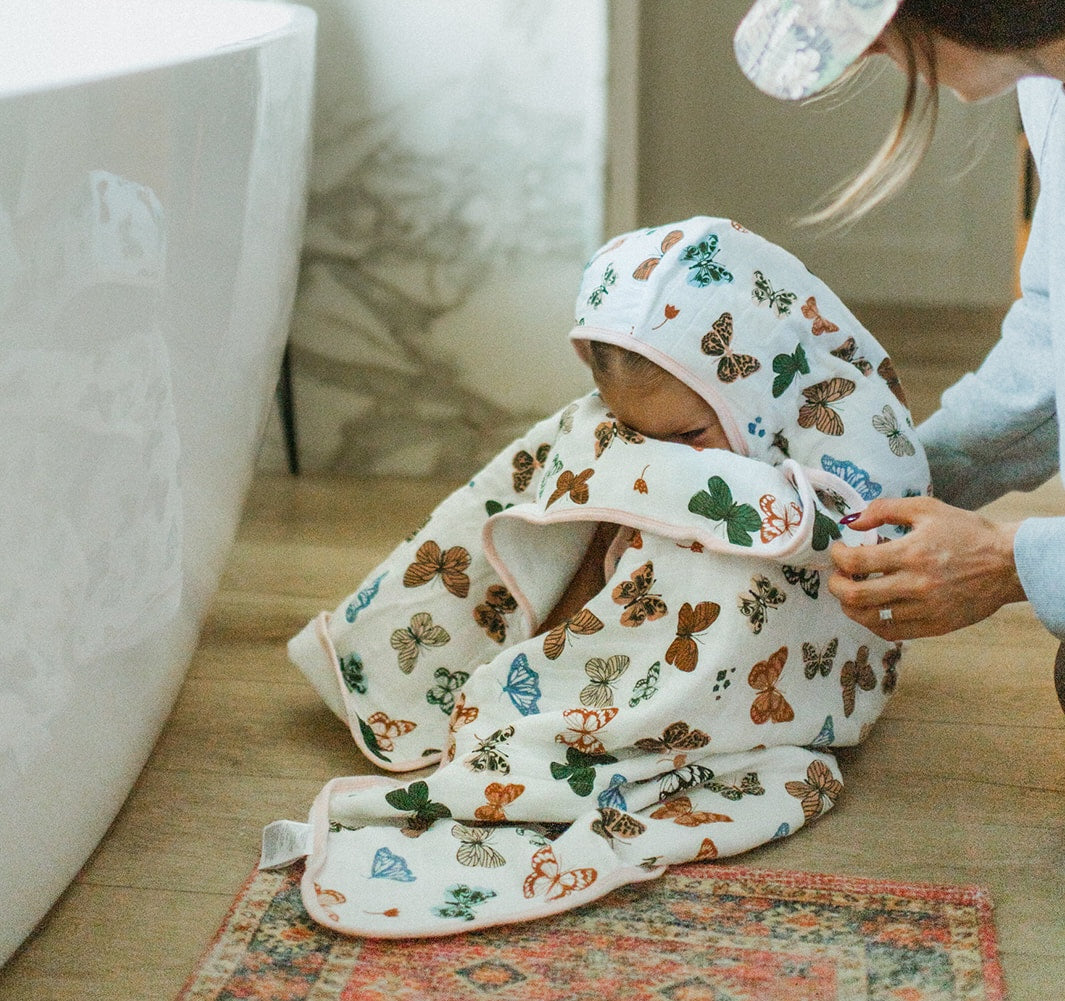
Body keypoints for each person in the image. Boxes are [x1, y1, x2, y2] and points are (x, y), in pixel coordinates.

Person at [281, 216, 929, 938]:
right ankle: (531, 673)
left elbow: (874, 533)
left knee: (702, 517)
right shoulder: (636, 421)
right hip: (648, 584)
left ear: (747, 378)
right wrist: (642, 466)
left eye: (687, 433)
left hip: (792, 642)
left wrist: (696, 489)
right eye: (640, 432)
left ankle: (630, 716)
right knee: (580, 450)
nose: (667, 453)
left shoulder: (842, 412)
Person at [734, 0, 1065, 707]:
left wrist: (1012, 560)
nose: (874, 47)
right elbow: (1054, 340)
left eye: (879, 17)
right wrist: (874, 487)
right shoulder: (1048, 83)